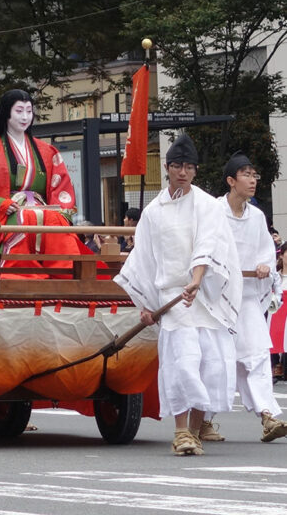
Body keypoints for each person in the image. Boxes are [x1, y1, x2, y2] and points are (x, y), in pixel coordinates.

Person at [114, 134, 242, 456]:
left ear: (195, 171)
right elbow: (143, 257)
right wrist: (145, 304)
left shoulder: (206, 205)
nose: (182, 172)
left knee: (210, 367)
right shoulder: (154, 211)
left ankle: (197, 430)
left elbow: (208, 245)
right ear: (167, 169)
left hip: (206, 295)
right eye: (176, 166)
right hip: (172, 298)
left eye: (188, 167)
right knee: (184, 362)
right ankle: (181, 431)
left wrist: (197, 279)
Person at [0, 89, 87, 274]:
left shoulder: (46, 151)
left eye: (29, 110)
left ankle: (66, 271)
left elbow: (61, 186)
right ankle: (20, 273)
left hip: (42, 208)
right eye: (19, 111)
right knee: (24, 218)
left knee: (55, 221)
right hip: (10, 210)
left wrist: (58, 208)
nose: (25, 116)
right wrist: (0, 205)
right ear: (6, 113)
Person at [213, 151, 287, 442]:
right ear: (231, 180)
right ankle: (203, 419)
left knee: (256, 356)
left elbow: (266, 253)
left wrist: (265, 266)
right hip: (217, 299)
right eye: (246, 174)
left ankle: (269, 416)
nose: (253, 180)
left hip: (246, 299)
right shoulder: (214, 212)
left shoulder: (257, 217)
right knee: (218, 363)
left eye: (254, 175)